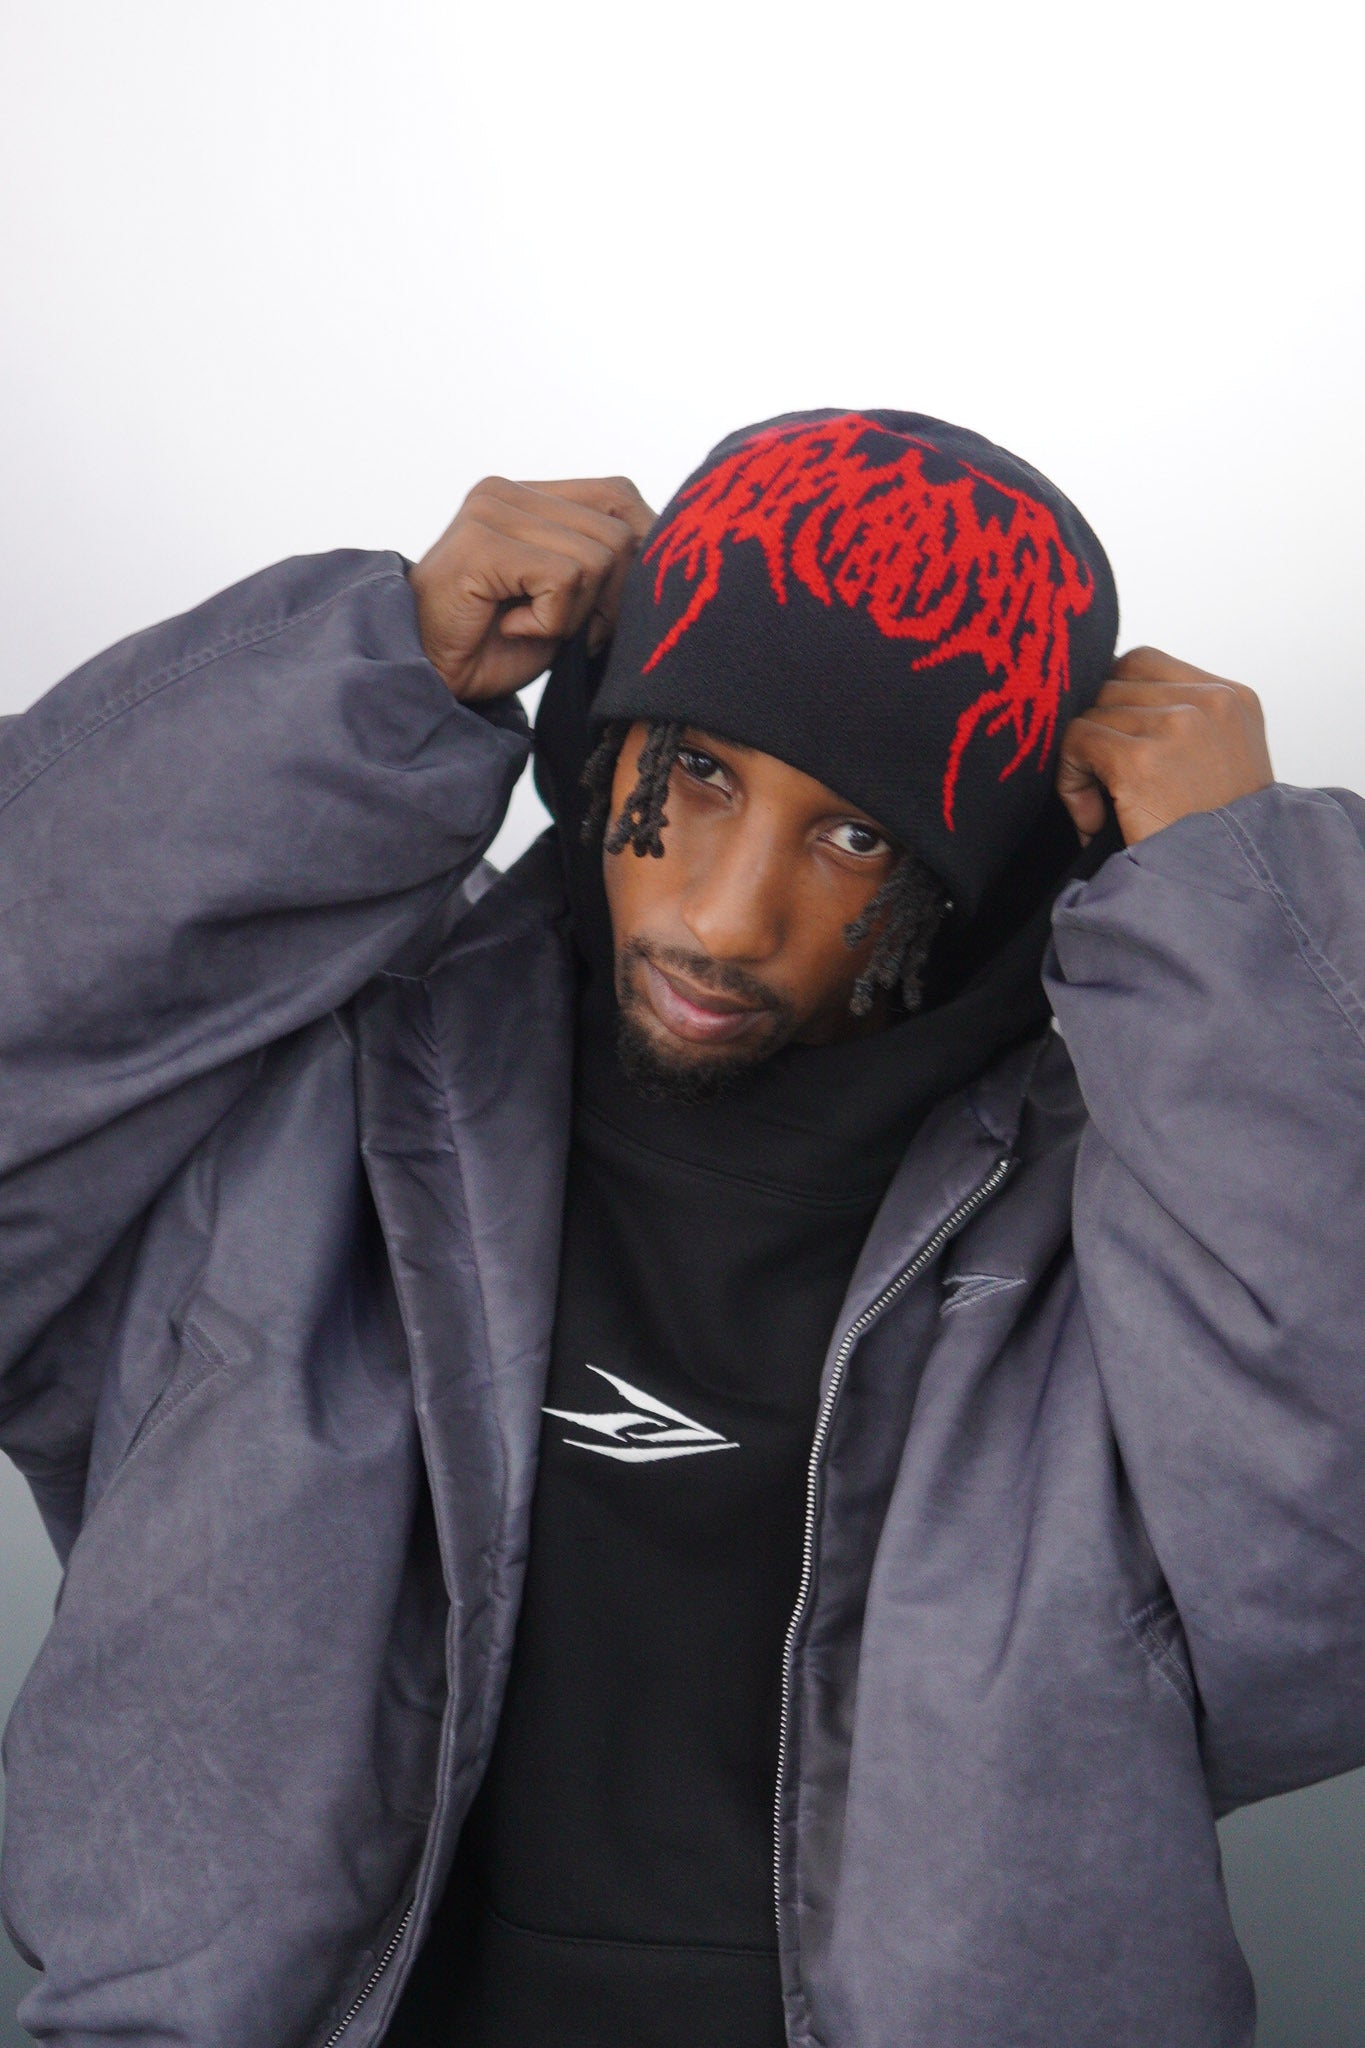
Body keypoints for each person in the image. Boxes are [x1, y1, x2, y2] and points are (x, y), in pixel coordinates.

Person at [0, 409, 1360, 2048]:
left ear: (989, 877)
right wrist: (352, 685)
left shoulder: (1113, 1239)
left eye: (856, 835)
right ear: (600, 743)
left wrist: (1240, 919)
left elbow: (1322, 1615)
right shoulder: (314, 1109)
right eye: (698, 773)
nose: (724, 917)